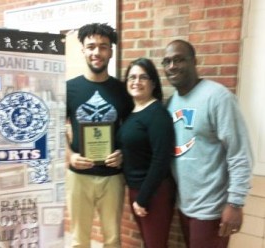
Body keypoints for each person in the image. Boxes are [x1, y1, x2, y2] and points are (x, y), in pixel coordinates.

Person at [163, 39, 253, 248]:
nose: (172, 66)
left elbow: (239, 153)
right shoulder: (172, 102)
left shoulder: (217, 97)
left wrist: (235, 203)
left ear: (194, 62)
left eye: (179, 60)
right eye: (166, 62)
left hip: (212, 209)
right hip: (185, 205)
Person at [66, 23, 133, 248]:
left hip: (112, 177)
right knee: (79, 240)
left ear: (111, 51)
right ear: (83, 50)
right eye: (91, 46)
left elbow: (132, 131)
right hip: (78, 176)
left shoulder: (123, 90)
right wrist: (69, 156)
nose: (97, 52)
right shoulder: (69, 89)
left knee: (113, 239)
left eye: (103, 47)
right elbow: (53, 128)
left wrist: (123, 153)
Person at [117, 58, 176, 248]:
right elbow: (135, 148)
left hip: (154, 192)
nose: (136, 81)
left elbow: (161, 159)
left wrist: (143, 198)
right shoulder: (133, 112)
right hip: (137, 189)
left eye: (143, 77)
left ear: (153, 83)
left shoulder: (157, 114)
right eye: (132, 77)